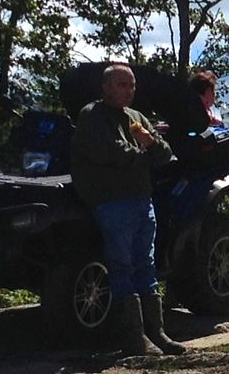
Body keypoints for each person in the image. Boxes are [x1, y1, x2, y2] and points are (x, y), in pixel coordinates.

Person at [70, 63, 186, 356]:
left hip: (141, 200)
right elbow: (112, 153)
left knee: (145, 263)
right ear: (106, 87)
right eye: (122, 84)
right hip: (112, 200)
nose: (128, 90)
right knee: (121, 264)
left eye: (131, 85)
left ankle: (156, 331)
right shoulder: (92, 116)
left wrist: (149, 144)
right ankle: (132, 336)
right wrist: (145, 153)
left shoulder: (136, 117)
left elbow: (165, 153)